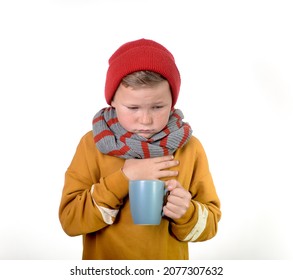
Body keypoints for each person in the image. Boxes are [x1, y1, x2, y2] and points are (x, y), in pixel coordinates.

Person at [59, 38, 221, 260]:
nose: (145, 120)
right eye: (133, 107)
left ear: (172, 102)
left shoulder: (190, 148)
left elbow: (211, 224)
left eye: (158, 106)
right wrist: (125, 178)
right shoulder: (92, 145)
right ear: (112, 101)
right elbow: (70, 221)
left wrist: (188, 213)